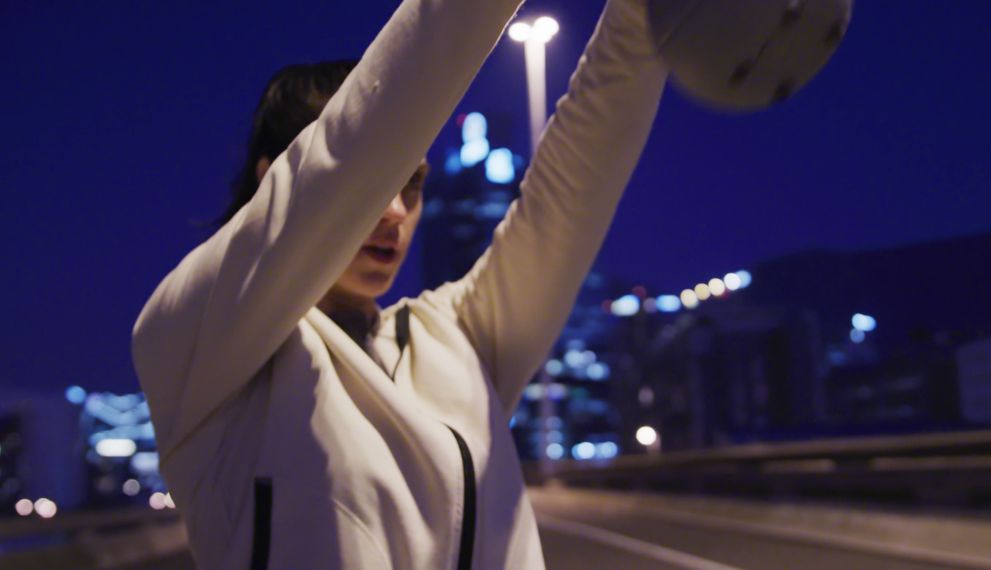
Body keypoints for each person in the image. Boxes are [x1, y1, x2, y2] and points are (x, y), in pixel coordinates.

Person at [131, 0, 667, 567]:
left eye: (411, 182)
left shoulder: (456, 337)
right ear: (274, 183)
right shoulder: (199, 342)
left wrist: (645, 16)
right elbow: (368, 129)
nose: (394, 209)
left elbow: (578, 181)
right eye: (376, 181)